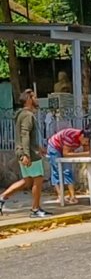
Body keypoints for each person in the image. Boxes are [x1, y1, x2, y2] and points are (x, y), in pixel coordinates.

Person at [0, 89, 50, 218]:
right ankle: (35, 209)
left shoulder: (21, 114)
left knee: (27, 181)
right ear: (29, 99)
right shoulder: (28, 115)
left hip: (23, 151)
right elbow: (25, 134)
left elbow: (26, 136)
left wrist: (38, 147)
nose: (37, 99)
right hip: (29, 153)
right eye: (35, 97)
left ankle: (2, 197)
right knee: (38, 180)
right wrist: (27, 154)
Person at [47, 127, 91, 204]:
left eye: (88, 142)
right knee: (56, 170)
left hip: (66, 147)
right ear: (81, 136)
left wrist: (87, 151)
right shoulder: (70, 136)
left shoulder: (84, 139)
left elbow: (87, 151)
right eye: (86, 141)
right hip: (55, 147)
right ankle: (60, 196)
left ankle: (72, 196)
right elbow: (66, 154)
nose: (86, 143)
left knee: (68, 171)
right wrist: (83, 154)